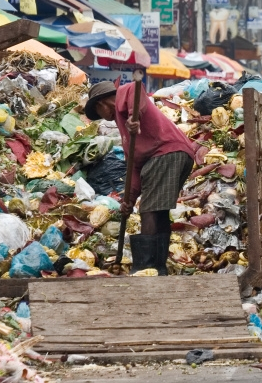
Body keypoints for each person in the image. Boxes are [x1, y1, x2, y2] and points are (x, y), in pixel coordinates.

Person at [84, 81, 197, 275]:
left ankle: (145, 268)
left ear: (100, 104)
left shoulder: (124, 98)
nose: (104, 119)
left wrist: (133, 117)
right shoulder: (124, 131)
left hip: (166, 151)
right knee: (159, 211)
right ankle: (158, 268)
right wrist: (128, 199)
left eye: (99, 114)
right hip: (176, 154)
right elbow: (134, 168)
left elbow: (136, 90)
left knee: (149, 210)